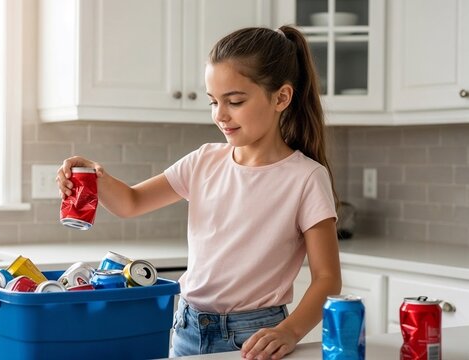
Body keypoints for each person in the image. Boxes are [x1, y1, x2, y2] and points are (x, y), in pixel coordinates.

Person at [56, 25, 342, 360]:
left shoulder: (306, 178)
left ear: (281, 97)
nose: (220, 115)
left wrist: (289, 331)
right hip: (188, 328)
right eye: (214, 101)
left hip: (255, 336)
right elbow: (131, 202)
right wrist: (95, 177)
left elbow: (327, 279)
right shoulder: (204, 160)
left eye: (235, 101)